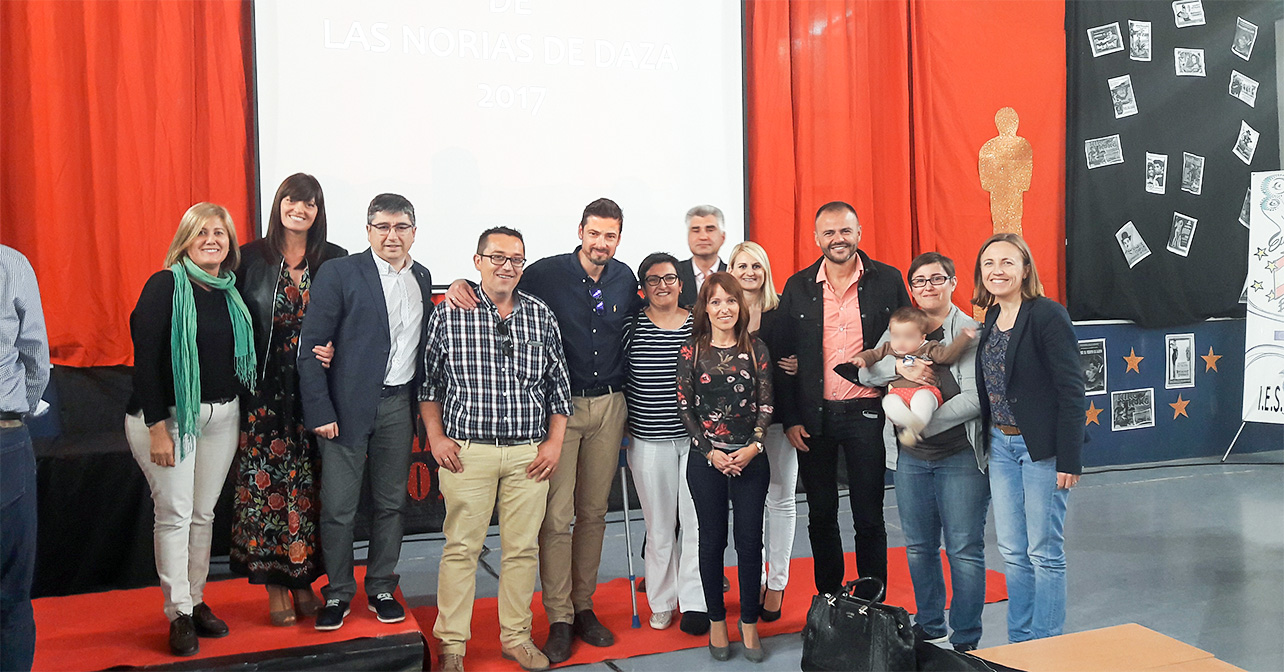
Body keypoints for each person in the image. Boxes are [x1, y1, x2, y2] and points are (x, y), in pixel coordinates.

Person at [444, 198, 641, 663]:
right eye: (594, 233)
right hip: (561, 408)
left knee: (594, 513)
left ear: (618, 238)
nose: (601, 243)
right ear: (580, 231)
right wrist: (458, 284)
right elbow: (498, 285)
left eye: (610, 236)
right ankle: (558, 617)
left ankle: (583, 605)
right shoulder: (545, 273)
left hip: (611, 404)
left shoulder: (625, 278)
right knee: (556, 517)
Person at [421, 227, 573, 672]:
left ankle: (517, 637)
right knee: (461, 549)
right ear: (477, 261)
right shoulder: (449, 314)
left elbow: (559, 388)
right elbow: (428, 384)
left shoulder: (540, 315)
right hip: (468, 453)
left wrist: (554, 443)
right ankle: (451, 645)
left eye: (517, 259)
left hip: (529, 454)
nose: (507, 266)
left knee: (522, 550)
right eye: (498, 257)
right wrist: (435, 436)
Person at [123, 203, 256, 656]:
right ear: (185, 239)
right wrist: (157, 427)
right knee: (176, 514)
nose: (212, 240)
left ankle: (197, 600)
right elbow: (144, 362)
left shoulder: (231, 292)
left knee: (204, 515)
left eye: (220, 233)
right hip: (169, 419)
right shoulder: (165, 286)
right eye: (202, 233)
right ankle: (178, 611)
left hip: (222, 417)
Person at [298, 193, 433, 631]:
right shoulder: (340, 272)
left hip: (398, 404)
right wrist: (319, 408)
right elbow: (310, 347)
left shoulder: (423, 276)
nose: (392, 236)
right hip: (345, 408)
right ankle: (337, 593)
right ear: (369, 230)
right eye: (383, 227)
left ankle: (379, 586)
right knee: (338, 507)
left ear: (414, 231)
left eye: (401, 227)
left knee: (391, 504)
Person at [775, 201, 911, 595]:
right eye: (829, 232)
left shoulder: (887, 280)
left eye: (845, 231)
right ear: (816, 238)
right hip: (814, 418)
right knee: (821, 515)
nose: (838, 239)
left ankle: (872, 600)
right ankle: (830, 600)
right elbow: (784, 357)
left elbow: (909, 339)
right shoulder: (797, 287)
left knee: (869, 516)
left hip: (867, 412)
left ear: (859, 233)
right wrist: (792, 418)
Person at [858, 252, 989, 652]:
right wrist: (903, 371)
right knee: (918, 546)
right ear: (911, 288)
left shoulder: (968, 329)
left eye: (937, 279)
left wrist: (921, 425)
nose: (928, 287)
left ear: (953, 282)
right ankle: (931, 626)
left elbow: (974, 399)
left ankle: (966, 638)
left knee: (964, 549)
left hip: (959, 456)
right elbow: (868, 371)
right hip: (911, 459)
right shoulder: (902, 326)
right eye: (919, 281)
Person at [232, 173, 346, 625]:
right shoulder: (249, 257)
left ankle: (303, 582)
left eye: (310, 203)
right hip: (264, 393)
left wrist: (338, 345)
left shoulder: (334, 259)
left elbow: (356, 314)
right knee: (269, 488)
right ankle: (276, 587)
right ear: (279, 204)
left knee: (311, 489)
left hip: (317, 391)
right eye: (292, 200)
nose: (300, 209)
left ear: (319, 211)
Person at [972, 233, 1084, 642]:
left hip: (1042, 449)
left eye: (1007, 262)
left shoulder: (1047, 315)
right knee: (1013, 553)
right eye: (989, 263)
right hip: (1001, 447)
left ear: (1025, 270)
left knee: (1044, 553)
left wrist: (1069, 459)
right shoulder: (990, 318)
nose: (997, 271)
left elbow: (1072, 389)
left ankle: (1047, 643)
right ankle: (1020, 643)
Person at [677, 272, 774, 662]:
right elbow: (685, 406)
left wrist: (752, 447)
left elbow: (766, 404)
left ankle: (748, 621)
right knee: (711, 541)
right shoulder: (692, 350)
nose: (724, 309)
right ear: (705, 308)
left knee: (750, 543)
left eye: (731, 301)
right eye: (715, 302)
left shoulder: (757, 349)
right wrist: (709, 452)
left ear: (741, 306)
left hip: (751, 459)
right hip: (707, 461)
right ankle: (717, 620)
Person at [622, 252, 706, 634]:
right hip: (647, 440)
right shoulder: (631, 327)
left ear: (681, 283)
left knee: (695, 523)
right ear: (643, 287)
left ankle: (695, 601)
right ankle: (661, 601)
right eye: (653, 280)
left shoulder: (698, 326)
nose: (662, 286)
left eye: (669, 278)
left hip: (695, 442)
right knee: (658, 527)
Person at [725, 241, 797, 621]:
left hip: (778, 423)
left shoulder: (783, 311)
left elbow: (802, 361)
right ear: (730, 270)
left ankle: (778, 582)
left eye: (756, 265)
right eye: (741, 265)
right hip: (733, 430)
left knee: (781, 501)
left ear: (766, 270)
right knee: (748, 509)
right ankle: (751, 581)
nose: (749, 272)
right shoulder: (723, 312)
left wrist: (799, 363)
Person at [1, 245, 50, 672]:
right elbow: (36, 360)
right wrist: (18, 408)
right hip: (5, 438)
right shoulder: (10, 264)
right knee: (11, 594)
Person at [848, 306, 975, 446]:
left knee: (923, 400)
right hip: (899, 392)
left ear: (922, 338)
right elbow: (872, 354)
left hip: (924, 390)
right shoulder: (888, 347)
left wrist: (964, 338)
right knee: (889, 402)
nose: (901, 342)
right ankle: (910, 422)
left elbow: (947, 356)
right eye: (896, 336)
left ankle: (915, 427)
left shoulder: (929, 347)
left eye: (908, 337)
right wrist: (862, 359)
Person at [676, 205, 728, 307]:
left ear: (723, 237)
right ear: (688, 237)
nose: (703, 237)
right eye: (696, 230)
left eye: (710, 229)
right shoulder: (674, 275)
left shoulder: (733, 274)